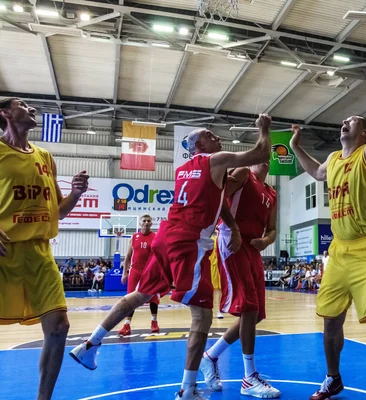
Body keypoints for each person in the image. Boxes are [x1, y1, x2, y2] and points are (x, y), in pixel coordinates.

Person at [70, 115, 271, 400]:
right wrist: (263, 128)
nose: (218, 138)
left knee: (140, 294)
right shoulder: (216, 160)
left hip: (166, 237)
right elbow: (261, 153)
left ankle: (90, 345)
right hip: (189, 243)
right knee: (202, 317)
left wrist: (234, 226)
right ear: (201, 144)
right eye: (211, 135)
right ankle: (187, 390)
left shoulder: (184, 170)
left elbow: (217, 202)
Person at [290, 88, 366, 400]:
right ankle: (333, 378)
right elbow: (317, 172)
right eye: (343, 121)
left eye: (352, 120)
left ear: (364, 133)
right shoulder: (332, 160)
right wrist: (295, 148)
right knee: (330, 321)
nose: (344, 123)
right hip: (339, 252)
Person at [0, 97, 89, 400]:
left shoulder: (45, 157)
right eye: (22, 104)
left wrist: (76, 195)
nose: (32, 108)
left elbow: (58, 212)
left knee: (59, 327)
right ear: (4, 113)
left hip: (40, 254)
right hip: (3, 253)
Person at [200, 161, 279, 398]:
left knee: (256, 314)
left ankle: (211, 355)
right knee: (249, 308)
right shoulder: (244, 173)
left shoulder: (272, 192)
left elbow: (272, 229)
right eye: (260, 152)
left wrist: (266, 241)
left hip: (254, 248)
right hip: (232, 241)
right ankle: (249, 377)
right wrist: (232, 227)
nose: (264, 158)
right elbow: (219, 197)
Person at [117, 214, 160, 335]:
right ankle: (127, 325)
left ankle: (154, 322)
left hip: (149, 272)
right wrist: (124, 273)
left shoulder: (155, 237)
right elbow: (128, 256)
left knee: (153, 298)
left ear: (151, 223)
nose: (146, 222)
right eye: (144, 221)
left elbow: (159, 256)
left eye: (148, 221)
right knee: (130, 299)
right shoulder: (134, 237)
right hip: (135, 272)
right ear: (140, 223)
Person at [209, 235, 224, 320]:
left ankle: (219, 310)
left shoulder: (222, 238)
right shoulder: (209, 239)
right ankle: (209, 309)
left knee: (220, 290)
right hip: (211, 266)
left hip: (221, 266)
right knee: (211, 289)